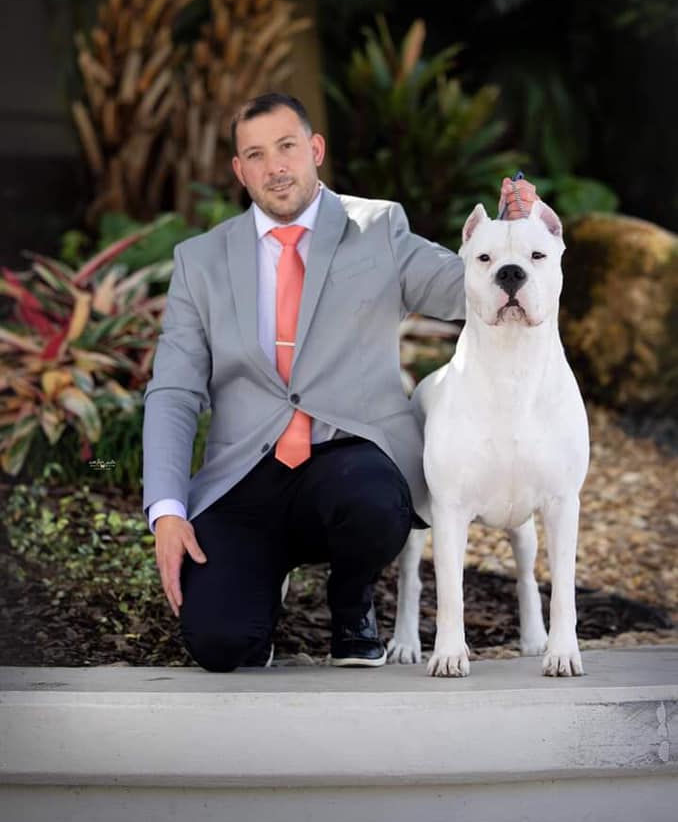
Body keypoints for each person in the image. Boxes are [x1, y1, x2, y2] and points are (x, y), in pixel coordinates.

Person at [142, 92, 536, 671]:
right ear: (239, 170)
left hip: (348, 458)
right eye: (256, 154)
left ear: (315, 150)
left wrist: (510, 241)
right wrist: (167, 510)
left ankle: (352, 602)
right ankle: (259, 589)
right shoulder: (198, 260)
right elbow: (174, 392)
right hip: (244, 476)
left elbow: (465, 290)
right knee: (222, 645)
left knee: (374, 501)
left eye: (287, 147)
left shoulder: (378, 228)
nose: (275, 166)